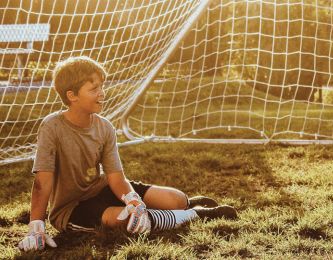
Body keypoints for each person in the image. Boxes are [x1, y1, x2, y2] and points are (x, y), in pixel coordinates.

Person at [18, 56, 237, 251]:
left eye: (102, 86)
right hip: (72, 208)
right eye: (93, 89)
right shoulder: (52, 127)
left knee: (176, 199)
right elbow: (41, 183)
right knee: (129, 222)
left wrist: (133, 199)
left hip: (101, 189)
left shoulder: (104, 127)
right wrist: (36, 225)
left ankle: (183, 206)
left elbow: (116, 177)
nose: (102, 93)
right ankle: (196, 214)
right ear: (72, 95)